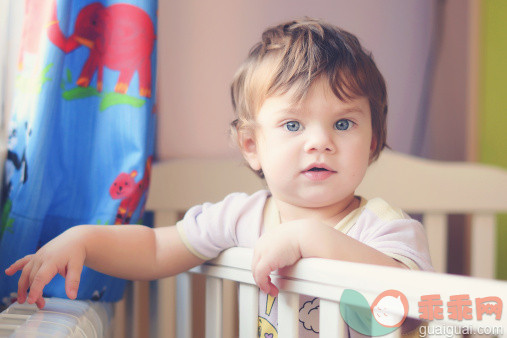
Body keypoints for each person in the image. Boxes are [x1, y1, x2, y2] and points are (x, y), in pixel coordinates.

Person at [6, 18, 432, 336]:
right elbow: (156, 247)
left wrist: (310, 239)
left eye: (343, 124)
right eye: (293, 125)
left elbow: (415, 305)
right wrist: (84, 239)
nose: (320, 142)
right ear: (252, 146)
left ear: (374, 141)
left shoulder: (386, 227)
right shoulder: (243, 217)